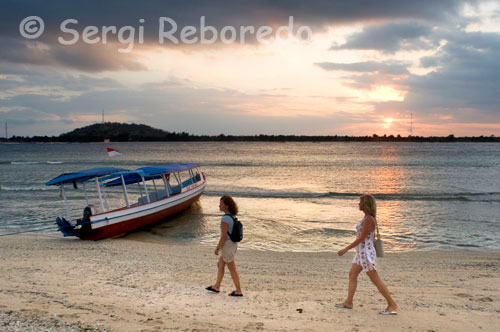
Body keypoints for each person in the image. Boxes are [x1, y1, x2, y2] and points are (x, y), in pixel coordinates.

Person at [337, 194, 398, 315]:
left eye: (360, 202)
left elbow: (361, 238)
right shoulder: (366, 218)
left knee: (375, 279)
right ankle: (349, 302)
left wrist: (346, 249)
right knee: (352, 274)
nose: (358, 204)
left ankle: (392, 304)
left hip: (365, 253)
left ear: (366, 205)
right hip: (361, 253)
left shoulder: (369, 219)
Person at [206, 195, 243, 297]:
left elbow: (223, 236)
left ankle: (238, 290)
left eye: (221, 204)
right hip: (232, 245)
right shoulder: (232, 216)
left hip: (227, 245)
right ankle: (216, 286)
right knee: (220, 264)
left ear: (226, 206)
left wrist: (217, 248)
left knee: (232, 269)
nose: (219, 205)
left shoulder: (225, 219)